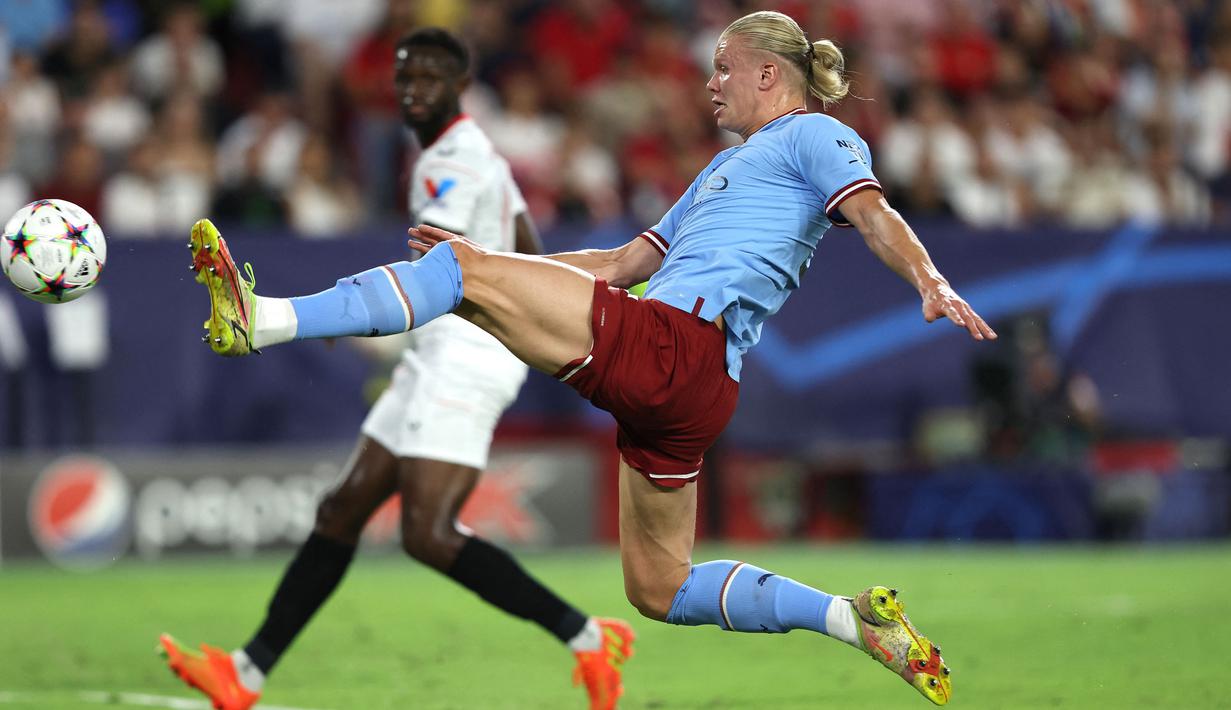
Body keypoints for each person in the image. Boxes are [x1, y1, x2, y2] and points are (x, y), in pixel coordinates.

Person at [184, 12, 997, 706]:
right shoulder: (723, 169)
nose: (709, 84)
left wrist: (927, 278)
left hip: (674, 345)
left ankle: (263, 319)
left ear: (765, 73)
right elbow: (613, 266)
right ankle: (851, 620)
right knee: (658, 588)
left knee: (461, 277)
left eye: (721, 70)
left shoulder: (817, 134)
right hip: (696, 389)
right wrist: (501, 261)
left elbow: (872, 210)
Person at [159, 29, 634, 710]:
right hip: (440, 348)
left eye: (429, 79)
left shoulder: (454, 161)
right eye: (404, 78)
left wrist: (355, 319)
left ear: (460, 84)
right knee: (343, 507)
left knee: (428, 534)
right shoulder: (485, 162)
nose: (412, 90)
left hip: (469, 353)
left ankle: (588, 636)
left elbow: (426, 271)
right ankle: (247, 672)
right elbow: (529, 253)